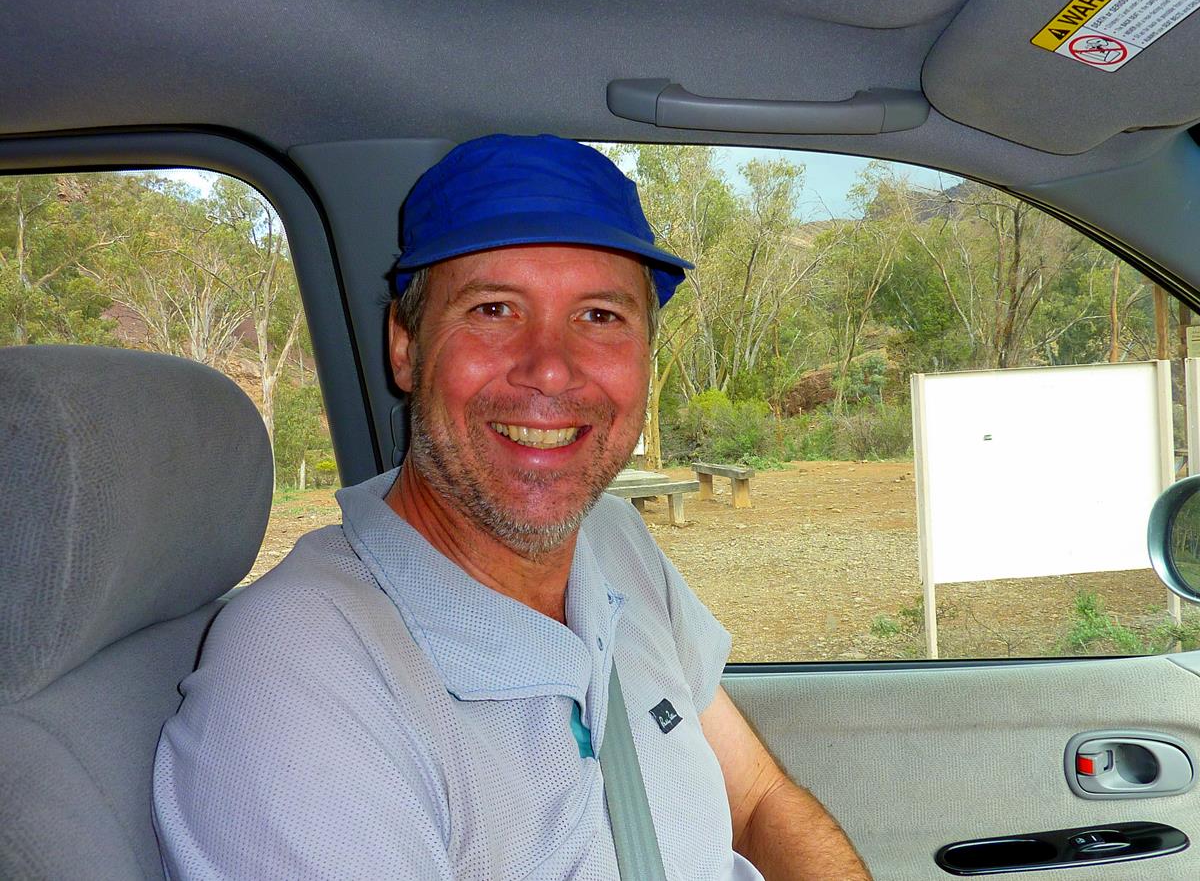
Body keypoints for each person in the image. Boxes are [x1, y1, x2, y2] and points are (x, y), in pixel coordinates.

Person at [152, 134, 870, 880]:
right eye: (494, 309)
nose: (551, 369)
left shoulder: (614, 538)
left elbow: (755, 800)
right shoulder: (300, 675)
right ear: (405, 346)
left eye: (600, 316)